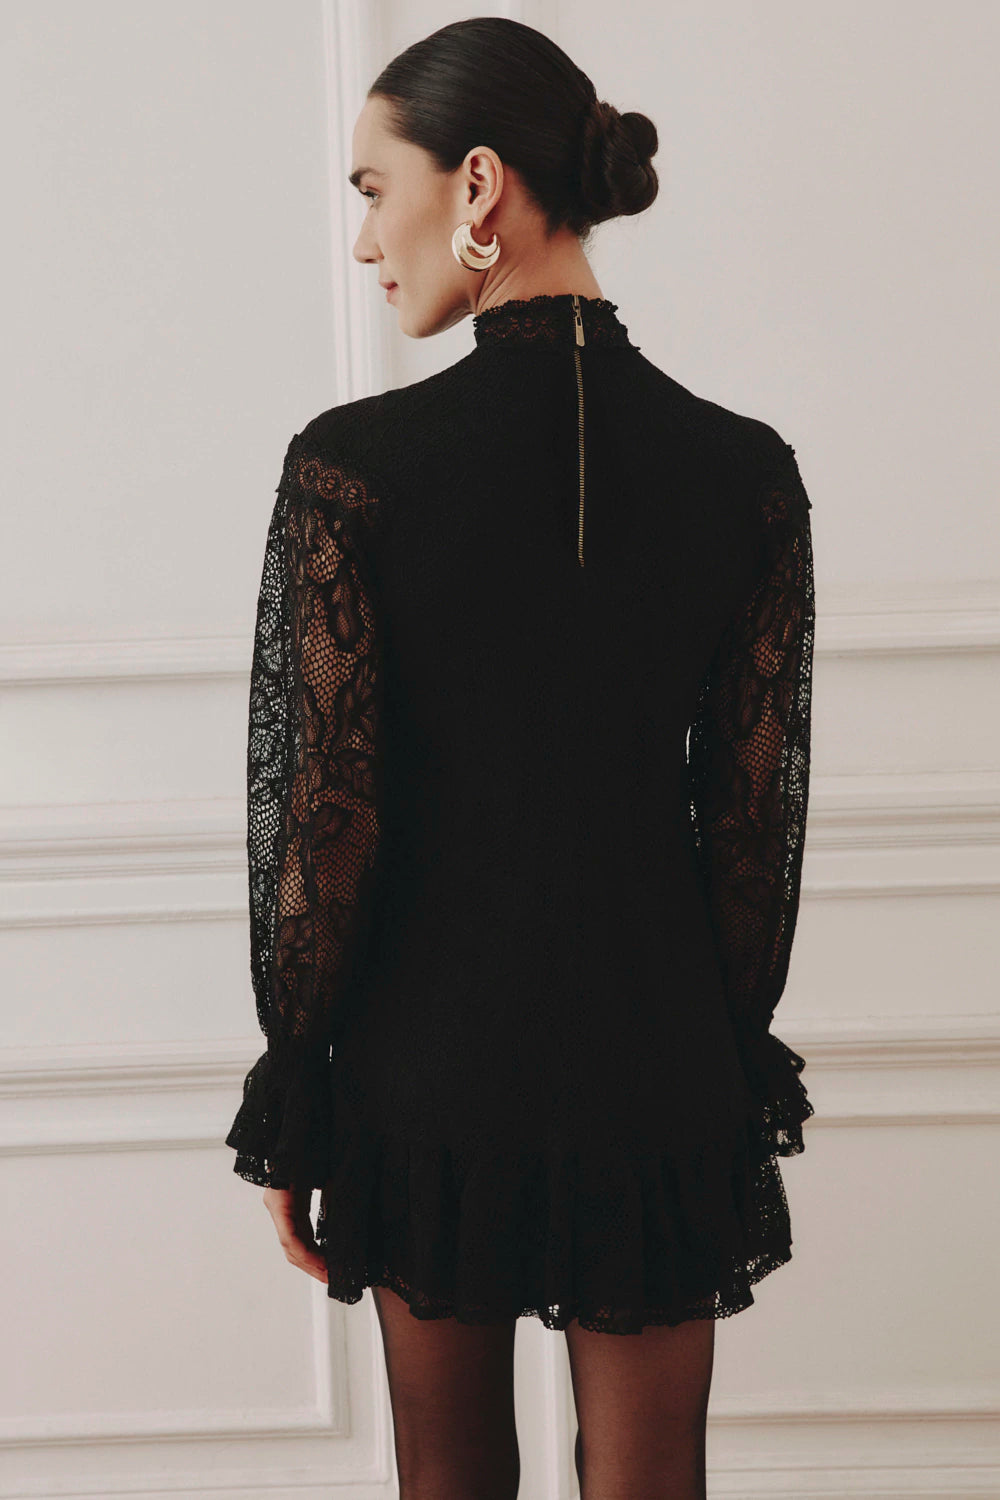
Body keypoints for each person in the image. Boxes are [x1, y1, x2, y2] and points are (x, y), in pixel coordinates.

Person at [224, 17, 816, 1500]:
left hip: (429, 1058)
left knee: (451, 1478)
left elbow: (325, 825)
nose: (366, 238)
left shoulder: (351, 471)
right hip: (657, 1049)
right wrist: (719, 1047)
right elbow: (752, 829)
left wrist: (297, 1076)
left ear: (477, 184)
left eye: (376, 189)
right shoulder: (746, 472)